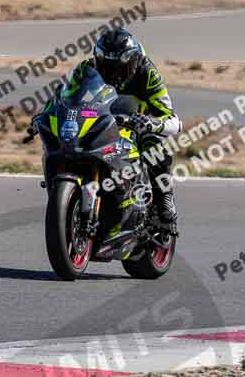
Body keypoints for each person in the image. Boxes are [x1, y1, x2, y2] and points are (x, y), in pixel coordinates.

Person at [63, 28, 181, 236]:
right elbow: (65, 98)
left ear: (134, 62)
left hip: (135, 126)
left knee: (154, 143)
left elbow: (173, 120)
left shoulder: (148, 74)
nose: (113, 75)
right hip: (101, 120)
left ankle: (165, 200)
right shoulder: (85, 70)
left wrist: (151, 123)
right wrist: (46, 113)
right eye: (106, 68)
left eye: (119, 68)